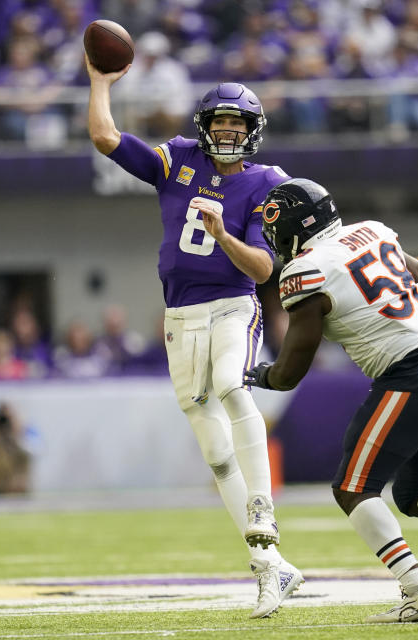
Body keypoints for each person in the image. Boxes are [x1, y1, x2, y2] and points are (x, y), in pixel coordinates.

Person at [244, 178, 418, 624]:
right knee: (413, 492)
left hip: (413, 374)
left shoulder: (305, 271)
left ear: (293, 227)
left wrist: (258, 374)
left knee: (352, 489)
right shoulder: (372, 232)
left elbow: (292, 369)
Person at [86, 58, 302, 618]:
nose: (228, 132)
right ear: (206, 126)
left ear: (252, 131)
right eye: (220, 122)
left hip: (233, 307)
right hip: (179, 317)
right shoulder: (177, 159)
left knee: (234, 387)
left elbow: (260, 269)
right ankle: (271, 566)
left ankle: (263, 505)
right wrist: (101, 81)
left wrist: (223, 234)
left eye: (238, 124)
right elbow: (105, 136)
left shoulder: (267, 183)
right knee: (212, 447)